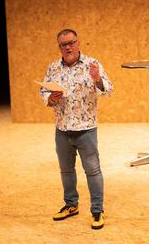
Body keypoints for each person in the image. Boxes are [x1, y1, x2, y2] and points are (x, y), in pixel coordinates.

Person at [39, 29, 113, 229]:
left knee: (93, 170)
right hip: (62, 129)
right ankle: (71, 205)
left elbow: (108, 90)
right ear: (59, 47)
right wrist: (50, 98)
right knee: (66, 170)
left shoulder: (92, 64)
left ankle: (97, 211)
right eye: (63, 44)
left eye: (71, 42)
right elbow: (44, 91)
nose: (68, 47)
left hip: (86, 129)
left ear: (78, 43)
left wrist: (97, 79)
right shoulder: (54, 67)